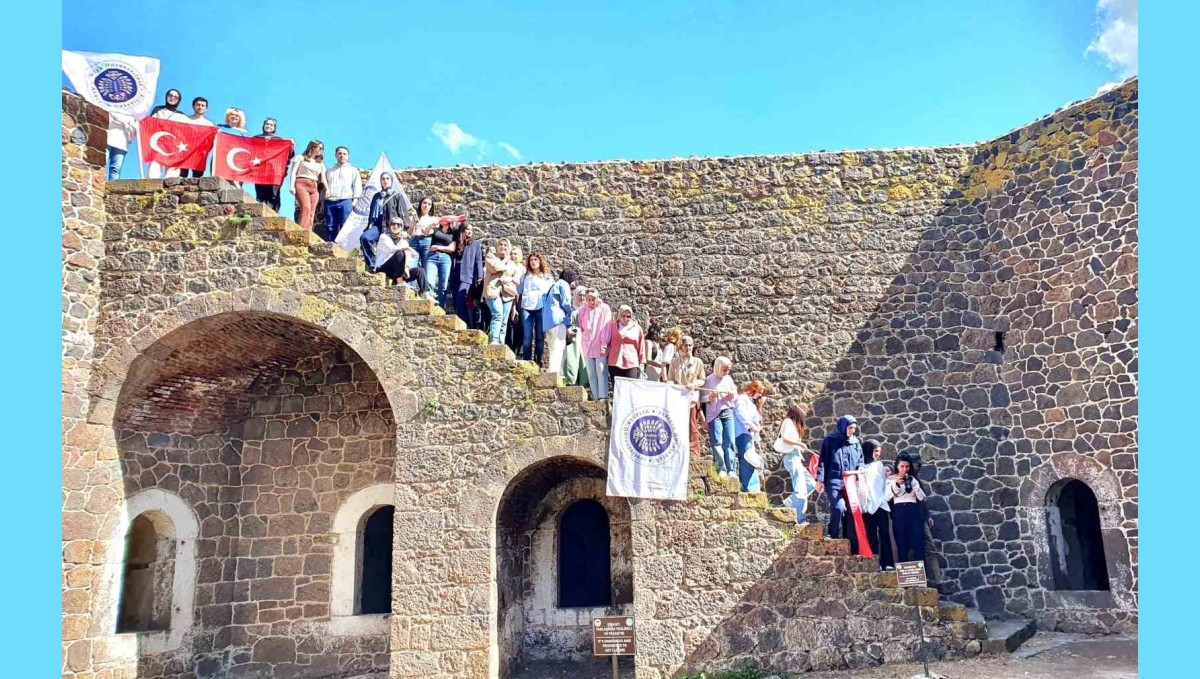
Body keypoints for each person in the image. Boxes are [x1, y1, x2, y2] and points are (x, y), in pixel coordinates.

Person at [816, 415, 865, 547]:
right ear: (843, 427)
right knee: (838, 507)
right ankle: (833, 536)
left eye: (854, 428)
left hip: (850, 483)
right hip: (833, 480)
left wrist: (860, 468)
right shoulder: (830, 440)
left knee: (851, 512)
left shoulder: (856, 443)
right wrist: (820, 479)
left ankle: (851, 543)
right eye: (850, 428)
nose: (852, 431)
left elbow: (860, 461)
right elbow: (823, 461)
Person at [776, 406, 817, 523]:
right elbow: (785, 439)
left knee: (811, 483)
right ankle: (800, 518)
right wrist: (800, 444)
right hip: (791, 457)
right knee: (800, 489)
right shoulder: (788, 421)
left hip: (796, 457)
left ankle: (789, 501)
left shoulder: (793, 424)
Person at [859, 440, 896, 570]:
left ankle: (888, 563)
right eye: (875, 451)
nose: (878, 454)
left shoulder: (879, 465)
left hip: (880, 504)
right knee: (871, 535)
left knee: (884, 534)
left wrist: (882, 498)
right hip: (868, 506)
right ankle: (876, 563)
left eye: (879, 451)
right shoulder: (861, 467)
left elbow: (882, 484)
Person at [667, 334, 706, 457]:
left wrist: (694, 384)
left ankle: (693, 452)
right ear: (681, 346)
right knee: (677, 424)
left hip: (691, 398)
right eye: (686, 345)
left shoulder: (697, 362)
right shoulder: (674, 362)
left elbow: (702, 379)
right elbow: (670, 379)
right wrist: (672, 384)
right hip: (678, 398)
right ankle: (678, 450)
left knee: (692, 424)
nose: (688, 347)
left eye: (690, 345)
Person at [702, 357, 738, 479]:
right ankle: (721, 468)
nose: (726, 372)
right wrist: (710, 396)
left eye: (728, 370)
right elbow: (702, 398)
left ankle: (731, 469)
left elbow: (735, 396)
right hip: (713, 414)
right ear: (718, 367)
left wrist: (731, 395)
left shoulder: (728, 379)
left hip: (727, 411)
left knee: (730, 440)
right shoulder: (708, 380)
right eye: (724, 369)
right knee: (717, 441)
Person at [887, 453, 927, 563]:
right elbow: (886, 498)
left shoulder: (913, 479)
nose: (905, 469)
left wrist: (915, 486)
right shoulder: (891, 480)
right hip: (899, 513)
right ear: (897, 466)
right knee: (902, 546)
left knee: (918, 545)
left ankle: (921, 575)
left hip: (913, 512)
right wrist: (896, 484)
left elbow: (921, 498)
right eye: (902, 466)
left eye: (907, 467)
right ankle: (904, 577)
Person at [732, 380, 771, 492]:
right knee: (747, 458)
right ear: (753, 389)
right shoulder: (742, 399)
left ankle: (752, 486)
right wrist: (751, 426)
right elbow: (740, 413)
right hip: (743, 432)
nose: (759, 395)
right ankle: (748, 487)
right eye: (759, 392)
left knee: (750, 458)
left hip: (749, 434)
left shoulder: (750, 402)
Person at [517, 253, 554, 364]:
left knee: (539, 336)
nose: (533, 262)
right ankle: (527, 360)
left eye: (536, 260)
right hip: (527, 307)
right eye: (531, 260)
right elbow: (518, 292)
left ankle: (538, 360)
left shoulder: (547, 277)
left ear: (540, 261)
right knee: (527, 336)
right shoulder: (524, 276)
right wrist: (515, 308)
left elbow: (552, 292)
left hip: (541, 307)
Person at [376, 218, 429, 294]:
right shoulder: (384, 237)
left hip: (398, 271)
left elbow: (413, 254)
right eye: (393, 224)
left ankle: (425, 293)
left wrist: (407, 265)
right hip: (384, 268)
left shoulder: (403, 242)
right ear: (390, 226)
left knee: (420, 270)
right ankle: (400, 283)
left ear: (401, 227)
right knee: (400, 253)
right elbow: (391, 249)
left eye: (398, 225)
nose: (395, 226)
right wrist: (405, 249)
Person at [578, 289, 613, 402]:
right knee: (591, 373)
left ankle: (603, 396)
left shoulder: (604, 309)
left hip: (599, 343)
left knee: (601, 369)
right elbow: (582, 327)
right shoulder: (583, 311)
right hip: (587, 344)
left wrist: (604, 343)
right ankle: (595, 396)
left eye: (593, 299)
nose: (591, 302)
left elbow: (606, 327)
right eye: (589, 300)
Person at [483, 240, 519, 345]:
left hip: (508, 294)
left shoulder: (513, 264)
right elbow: (495, 268)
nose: (503, 247)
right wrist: (506, 261)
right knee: (497, 314)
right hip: (493, 291)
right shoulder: (490, 257)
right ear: (497, 246)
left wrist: (509, 280)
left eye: (505, 245)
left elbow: (516, 279)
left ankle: (501, 342)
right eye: (501, 245)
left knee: (504, 321)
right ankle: (494, 339)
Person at [323, 146, 362, 242]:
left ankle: (345, 249)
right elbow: (325, 186)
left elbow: (357, 185)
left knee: (345, 225)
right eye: (340, 153)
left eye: (344, 154)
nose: (342, 155)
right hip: (330, 201)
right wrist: (322, 200)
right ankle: (330, 248)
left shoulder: (353, 170)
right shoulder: (329, 171)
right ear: (336, 155)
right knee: (330, 225)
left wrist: (355, 200)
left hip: (345, 200)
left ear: (348, 156)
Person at [146, 89, 187, 179]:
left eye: (175, 97)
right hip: (158, 142)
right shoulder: (158, 110)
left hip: (175, 144)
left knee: (173, 167)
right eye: (170, 95)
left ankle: (170, 188)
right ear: (166, 96)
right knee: (155, 164)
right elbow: (150, 125)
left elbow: (187, 131)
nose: (172, 98)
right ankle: (153, 187)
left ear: (179, 99)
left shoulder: (182, 116)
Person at [253, 118, 292, 211]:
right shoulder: (256, 138)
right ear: (263, 126)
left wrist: (290, 146)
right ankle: (260, 210)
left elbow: (288, 154)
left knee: (273, 192)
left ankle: (274, 211)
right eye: (267, 124)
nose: (269, 126)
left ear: (274, 128)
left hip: (273, 170)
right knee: (260, 191)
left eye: (271, 125)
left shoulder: (279, 140)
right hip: (260, 169)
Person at [289, 141, 327, 231]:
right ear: (312, 147)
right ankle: (301, 231)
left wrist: (327, 189)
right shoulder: (300, 158)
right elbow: (293, 172)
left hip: (314, 187)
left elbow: (323, 178)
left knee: (312, 211)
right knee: (306, 208)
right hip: (302, 183)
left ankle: (308, 231)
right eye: (319, 148)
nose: (321, 150)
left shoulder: (320, 163)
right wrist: (291, 186)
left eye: (322, 149)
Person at [454, 223, 485, 329]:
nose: (470, 231)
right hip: (455, 274)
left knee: (461, 298)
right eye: (467, 229)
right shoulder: (458, 242)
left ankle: (464, 324)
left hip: (468, 275)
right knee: (456, 299)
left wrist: (480, 275)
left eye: (471, 229)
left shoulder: (475, 244)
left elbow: (478, 260)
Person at [606, 305, 645, 385]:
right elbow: (607, 341)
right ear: (619, 315)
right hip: (615, 361)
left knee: (631, 387)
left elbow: (641, 346)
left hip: (631, 362)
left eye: (628, 316)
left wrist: (642, 362)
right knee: (617, 388)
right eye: (623, 316)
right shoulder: (612, 326)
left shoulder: (637, 328)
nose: (626, 318)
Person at [561, 287, 590, 388]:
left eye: (583, 295)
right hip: (574, 335)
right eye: (579, 294)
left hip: (585, 337)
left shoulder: (588, 309)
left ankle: (583, 383)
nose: (582, 297)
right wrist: (568, 329)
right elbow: (564, 319)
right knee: (572, 358)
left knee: (583, 361)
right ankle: (570, 381)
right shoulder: (570, 308)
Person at [426, 216, 458, 307]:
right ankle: (430, 304)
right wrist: (431, 225)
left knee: (443, 285)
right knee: (429, 281)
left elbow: (452, 248)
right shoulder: (436, 230)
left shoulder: (452, 234)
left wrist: (438, 247)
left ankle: (441, 308)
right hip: (432, 257)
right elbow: (426, 232)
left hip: (445, 258)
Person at [181, 97, 216, 178]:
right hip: (185, 150)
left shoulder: (209, 124)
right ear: (193, 106)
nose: (200, 107)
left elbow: (211, 140)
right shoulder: (185, 120)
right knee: (182, 175)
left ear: (206, 108)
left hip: (199, 154)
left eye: (203, 105)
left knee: (197, 177)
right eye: (198, 105)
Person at [106, 112, 136, 181]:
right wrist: (124, 123)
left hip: (121, 143)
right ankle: (99, 186)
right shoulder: (111, 108)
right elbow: (108, 119)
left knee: (115, 169)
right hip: (107, 138)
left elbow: (131, 131)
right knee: (102, 163)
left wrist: (121, 121)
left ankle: (111, 189)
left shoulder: (131, 116)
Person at [410, 196, 437, 268]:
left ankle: (424, 279)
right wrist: (413, 224)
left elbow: (428, 233)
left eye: (429, 204)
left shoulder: (433, 219)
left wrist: (430, 226)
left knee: (426, 266)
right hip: (414, 241)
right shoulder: (414, 217)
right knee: (412, 266)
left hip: (426, 242)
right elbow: (410, 233)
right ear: (421, 204)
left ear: (431, 207)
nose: (426, 205)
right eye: (424, 203)